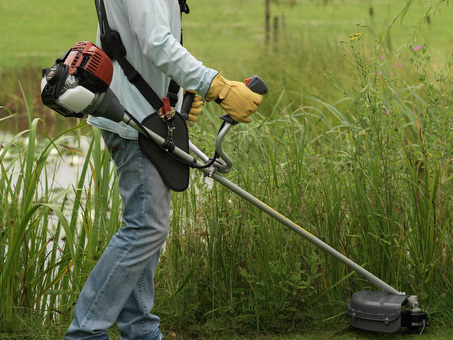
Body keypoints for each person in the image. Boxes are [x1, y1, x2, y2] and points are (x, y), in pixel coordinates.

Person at [65, 0, 263, 339]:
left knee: (146, 229)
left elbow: (135, 38)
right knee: (146, 228)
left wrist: (176, 86)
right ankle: (86, 332)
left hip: (142, 112)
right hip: (134, 118)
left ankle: (140, 330)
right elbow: (155, 41)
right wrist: (215, 85)